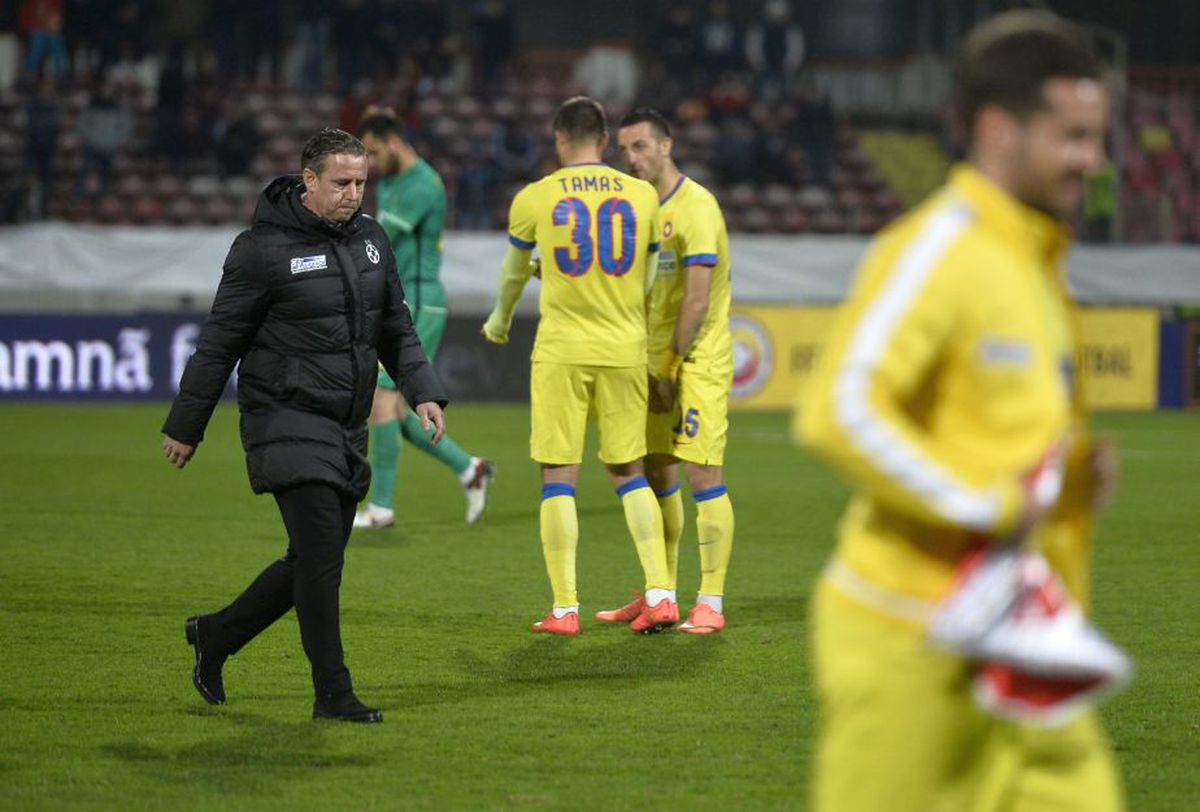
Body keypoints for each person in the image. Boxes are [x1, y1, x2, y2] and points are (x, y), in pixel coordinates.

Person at [794, 11, 1125, 811]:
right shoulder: (938, 249)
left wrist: (1068, 481)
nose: (1095, 160)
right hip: (912, 645)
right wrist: (993, 504)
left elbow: (991, 425)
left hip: (1025, 644)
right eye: (1073, 137)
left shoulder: (1032, 259)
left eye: (1097, 137)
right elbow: (836, 410)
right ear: (997, 130)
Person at [162, 128, 447, 723]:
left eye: (361, 183)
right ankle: (333, 694)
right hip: (283, 419)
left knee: (310, 561)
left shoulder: (370, 241)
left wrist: (422, 392)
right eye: (341, 183)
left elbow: (395, 326)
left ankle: (215, 635)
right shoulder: (261, 250)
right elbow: (219, 344)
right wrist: (187, 423)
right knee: (321, 557)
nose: (354, 195)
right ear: (308, 180)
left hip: (344, 424)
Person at [482, 96, 672, 636]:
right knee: (628, 472)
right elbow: (650, 275)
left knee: (558, 478)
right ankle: (660, 592)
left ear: (559, 138)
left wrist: (499, 322)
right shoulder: (642, 195)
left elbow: (514, 273)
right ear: (606, 139)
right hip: (624, 347)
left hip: (562, 350)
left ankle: (565, 608)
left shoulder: (536, 197)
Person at [600, 108, 735, 635]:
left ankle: (712, 601)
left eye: (639, 148)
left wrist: (673, 366)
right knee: (658, 474)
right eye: (623, 150)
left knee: (703, 475)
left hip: (696, 359)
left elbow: (697, 301)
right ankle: (663, 595)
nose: (630, 159)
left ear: (666, 146)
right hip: (651, 359)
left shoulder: (697, 207)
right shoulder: (636, 209)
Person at [356, 110, 493, 528]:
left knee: (381, 401)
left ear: (394, 141)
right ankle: (471, 469)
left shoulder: (424, 183)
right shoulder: (395, 180)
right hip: (401, 300)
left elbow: (383, 236)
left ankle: (381, 508)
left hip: (416, 300)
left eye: (375, 153)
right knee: (394, 410)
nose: (373, 164)